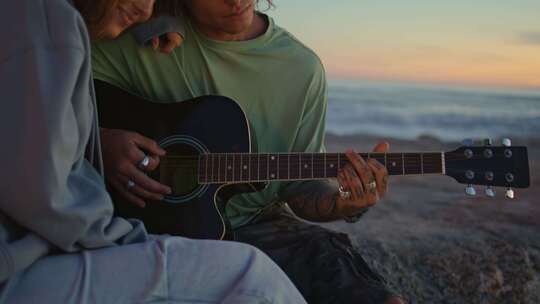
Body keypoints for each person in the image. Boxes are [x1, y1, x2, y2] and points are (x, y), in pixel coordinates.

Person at [92, 1, 405, 303]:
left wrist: (342, 203)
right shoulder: (151, 38)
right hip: (146, 223)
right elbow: (54, 91)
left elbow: (298, 187)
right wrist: (101, 140)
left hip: (258, 225)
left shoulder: (300, 68)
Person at [0, 0, 307, 303]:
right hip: (20, 269)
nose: (146, 11)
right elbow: (43, 196)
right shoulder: (53, 27)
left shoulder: (40, 21)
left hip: (34, 252)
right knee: (252, 275)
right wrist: (128, 241)